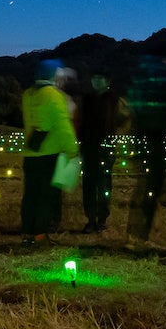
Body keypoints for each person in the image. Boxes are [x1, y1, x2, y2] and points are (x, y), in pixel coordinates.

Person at [125, 55, 166, 250]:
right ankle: (140, 235)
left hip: (141, 137)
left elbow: (132, 103)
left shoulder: (143, 77)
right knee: (151, 186)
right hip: (155, 138)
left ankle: (135, 234)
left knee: (145, 185)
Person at [19, 59, 79, 244]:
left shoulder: (28, 94)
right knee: (45, 196)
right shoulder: (53, 95)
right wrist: (72, 149)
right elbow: (62, 125)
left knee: (30, 194)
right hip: (49, 154)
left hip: (31, 153)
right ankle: (40, 234)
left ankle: (27, 233)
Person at [74, 72, 124, 233]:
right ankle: (90, 219)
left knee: (104, 185)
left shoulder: (114, 100)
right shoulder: (87, 99)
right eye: (94, 78)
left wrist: (114, 137)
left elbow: (124, 120)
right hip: (88, 147)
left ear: (107, 81)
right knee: (88, 185)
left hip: (105, 148)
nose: (96, 81)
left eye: (99, 78)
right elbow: (79, 120)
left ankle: (102, 219)